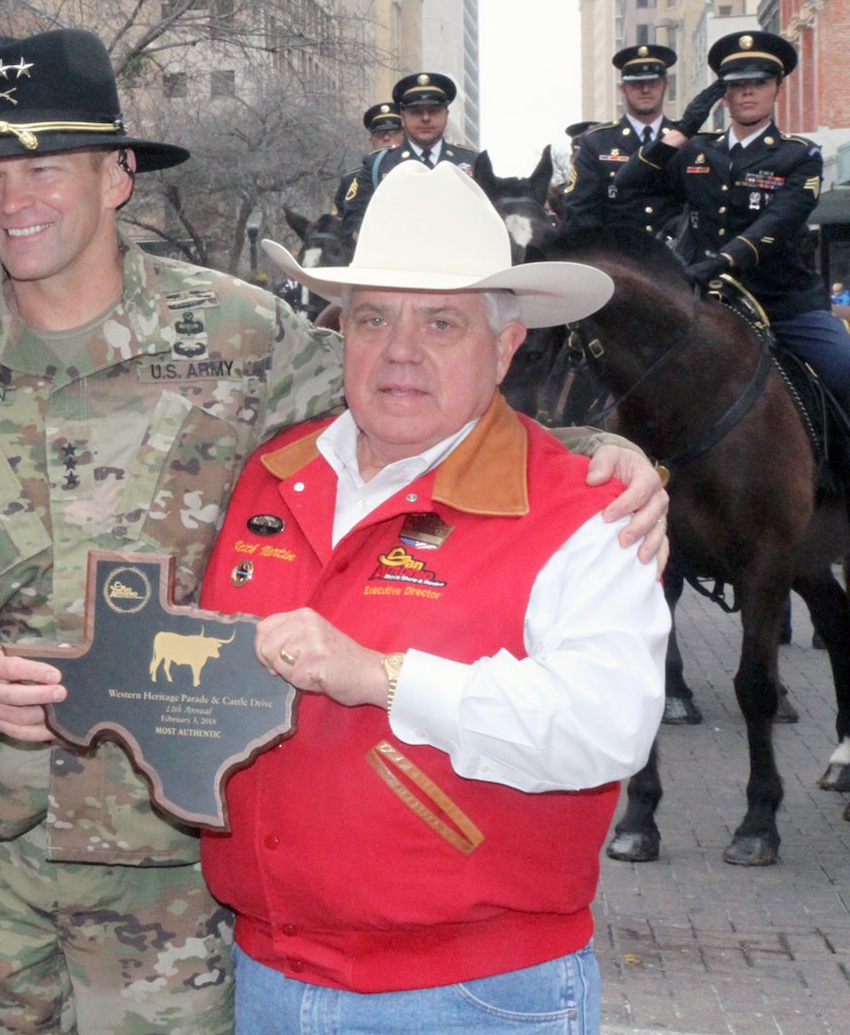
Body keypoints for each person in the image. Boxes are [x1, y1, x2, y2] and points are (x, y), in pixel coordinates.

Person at [0, 28, 669, 1034]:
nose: (11, 199)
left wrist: (612, 456)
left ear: (118, 175)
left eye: (43, 168)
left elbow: (414, 402)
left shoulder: (245, 339)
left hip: (170, 877)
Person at [200, 158, 668, 1030]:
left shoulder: (588, 512)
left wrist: (384, 674)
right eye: (373, 317)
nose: (399, 350)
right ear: (339, 333)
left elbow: (609, 723)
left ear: (507, 346)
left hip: (470, 995)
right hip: (265, 973)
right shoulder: (268, 475)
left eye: (441, 322)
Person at [616, 31, 850, 411]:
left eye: (759, 83)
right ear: (722, 95)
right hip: (704, 299)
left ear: (777, 89)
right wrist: (682, 130)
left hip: (782, 300)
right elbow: (628, 185)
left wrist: (724, 260)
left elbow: (779, 221)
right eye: (736, 85)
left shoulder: (798, 155)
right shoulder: (696, 150)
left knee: (844, 369)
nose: (747, 92)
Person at [339, 73, 493, 242]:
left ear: (446, 115)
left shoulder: (472, 161)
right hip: (395, 262)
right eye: (416, 112)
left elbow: (489, 220)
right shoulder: (377, 165)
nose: (425, 118)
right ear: (403, 117)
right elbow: (354, 223)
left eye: (433, 111)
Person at [565, 45, 681, 234]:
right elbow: (580, 211)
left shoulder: (685, 140)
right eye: (636, 84)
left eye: (653, 83)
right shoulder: (596, 142)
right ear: (623, 89)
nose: (645, 89)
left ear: (665, 87)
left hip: (677, 256)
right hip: (618, 254)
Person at [332, 102, 405, 217]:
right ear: (370, 142)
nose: (386, 138)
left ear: (404, 137)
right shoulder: (351, 179)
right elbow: (340, 222)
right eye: (380, 134)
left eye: (393, 133)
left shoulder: (416, 170)